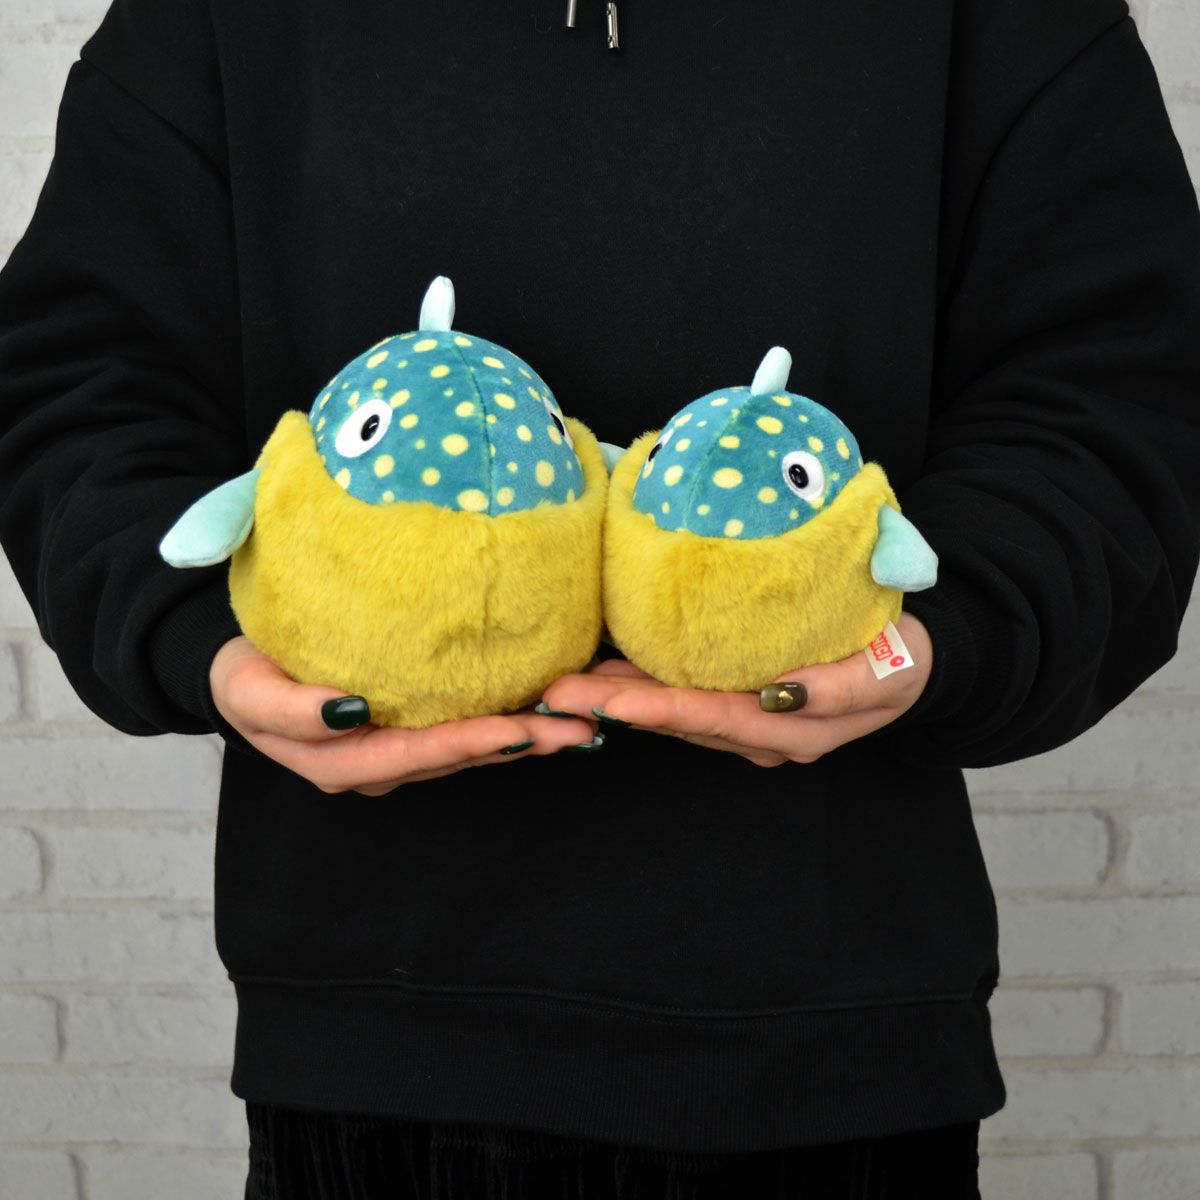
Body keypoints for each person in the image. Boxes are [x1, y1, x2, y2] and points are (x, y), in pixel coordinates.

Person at [1, 0, 1198, 1196]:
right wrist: (202, 644)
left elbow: (1117, 390)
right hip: (374, 1047)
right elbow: (82, 375)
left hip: (836, 1041)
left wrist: (940, 634)